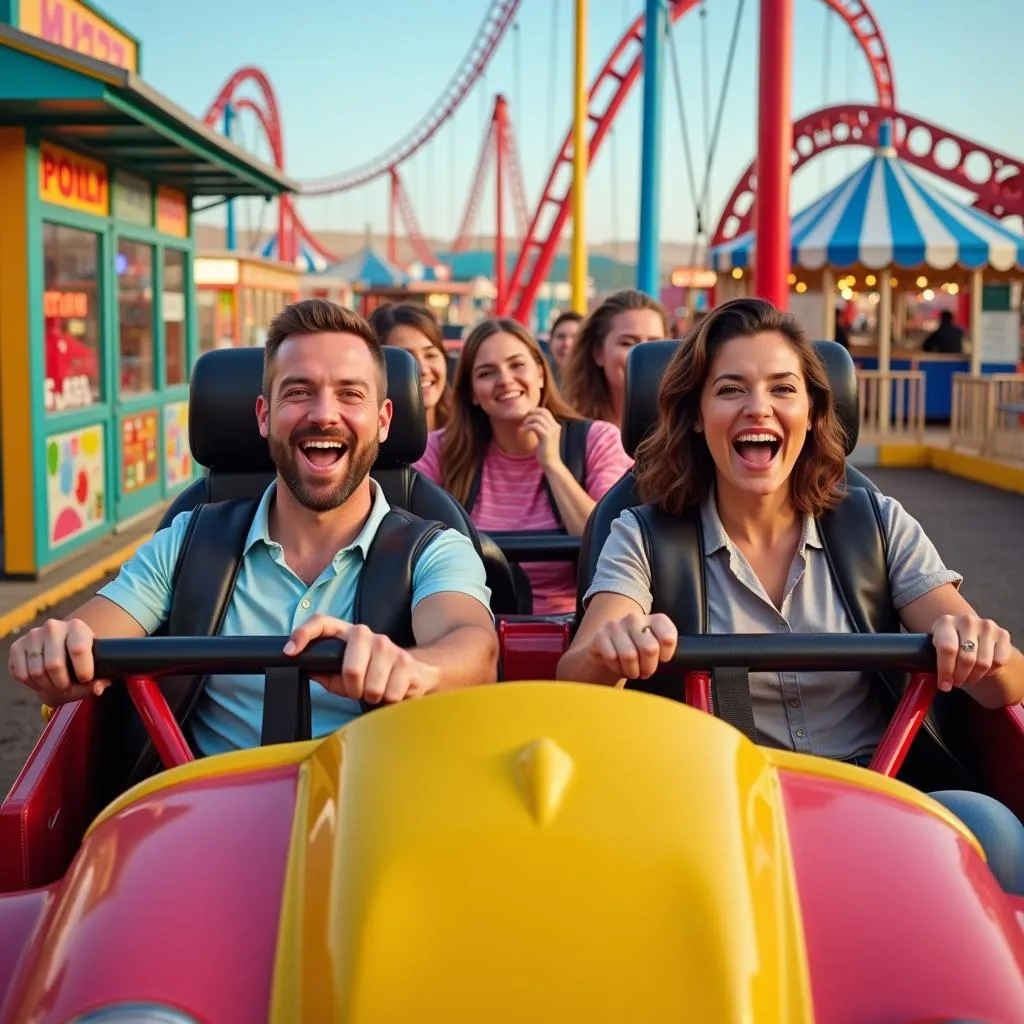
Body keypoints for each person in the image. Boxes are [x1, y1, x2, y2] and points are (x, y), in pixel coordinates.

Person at [557, 296, 1024, 894]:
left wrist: (983, 647)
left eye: (783, 389)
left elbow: (1003, 684)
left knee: (993, 829)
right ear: (698, 414)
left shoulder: (876, 524)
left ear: (811, 411)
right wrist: (611, 648)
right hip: (719, 807)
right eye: (730, 389)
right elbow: (578, 673)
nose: (759, 408)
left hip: (877, 796)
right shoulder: (643, 533)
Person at [11, 299, 498, 755]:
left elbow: (472, 647)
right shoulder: (188, 540)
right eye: (299, 392)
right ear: (264, 416)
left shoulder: (434, 548)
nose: (324, 413)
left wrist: (413, 668)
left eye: (350, 394)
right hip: (204, 814)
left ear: (384, 420)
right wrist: (56, 649)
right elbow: (90, 632)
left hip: (370, 815)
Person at [414, 317, 632, 615]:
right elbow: (415, 549)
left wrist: (553, 466)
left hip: (573, 625)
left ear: (541, 374)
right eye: (487, 373)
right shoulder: (438, 450)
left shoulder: (598, 440)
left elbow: (610, 544)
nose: (505, 380)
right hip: (474, 625)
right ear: (473, 394)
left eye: (517, 365)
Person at [562, 289, 669, 426]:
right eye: (628, 343)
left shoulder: (686, 427)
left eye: (655, 343)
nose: (644, 355)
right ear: (598, 353)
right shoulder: (569, 432)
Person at [369, 302, 452, 432]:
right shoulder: (367, 446)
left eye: (430, 355)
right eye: (407, 359)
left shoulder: (470, 436)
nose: (423, 369)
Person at [547, 310, 582, 377]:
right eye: (560, 336)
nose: (566, 343)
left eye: (575, 337)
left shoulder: (599, 381)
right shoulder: (539, 380)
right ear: (550, 343)